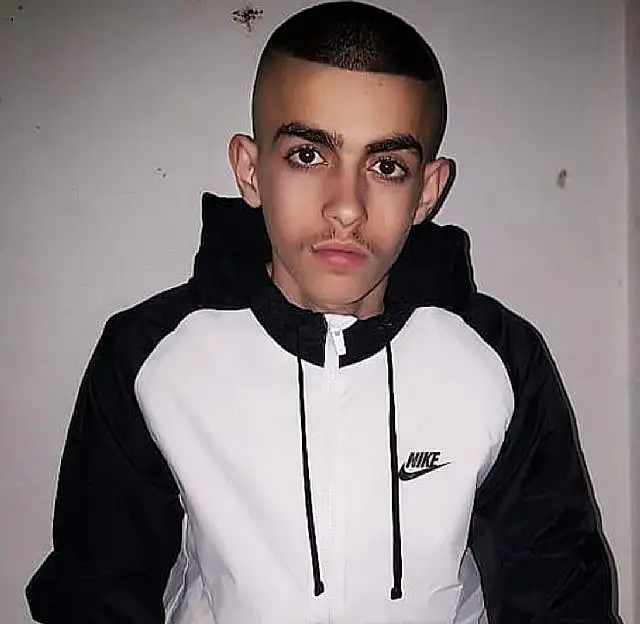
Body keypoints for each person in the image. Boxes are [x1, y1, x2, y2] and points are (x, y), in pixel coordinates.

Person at [26, 2, 619, 623]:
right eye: (308, 155)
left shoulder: (500, 360)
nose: (346, 207)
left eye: (386, 166)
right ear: (250, 171)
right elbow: (97, 594)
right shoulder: (150, 356)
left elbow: (560, 597)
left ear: (428, 191)